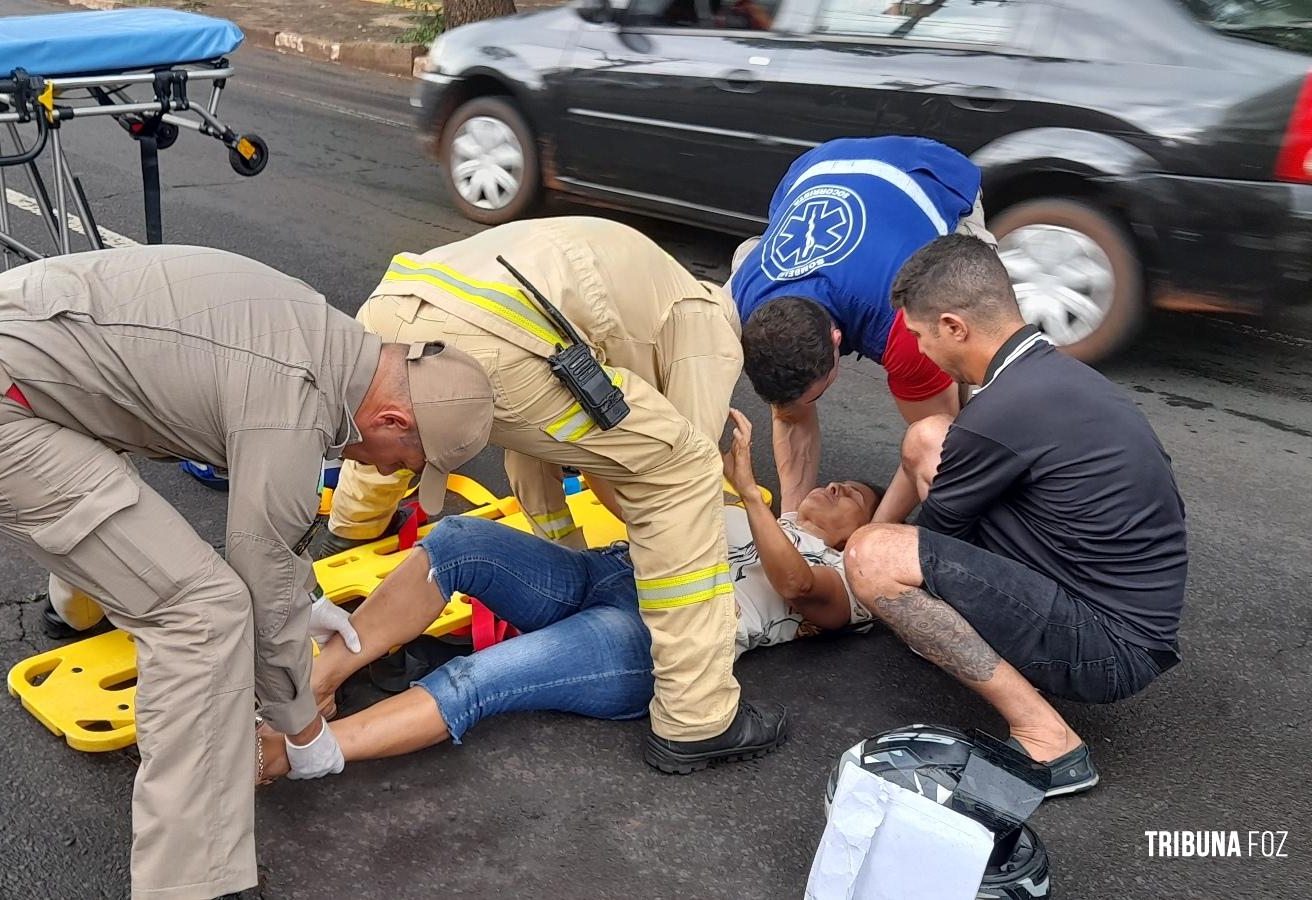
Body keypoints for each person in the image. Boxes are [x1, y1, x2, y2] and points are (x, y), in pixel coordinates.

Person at [0, 245, 495, 900]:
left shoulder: (319, 331)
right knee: (202, 616)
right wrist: (304, 730)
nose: (389, 473)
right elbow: (261, 573)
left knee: (137, 528)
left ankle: (73, 609)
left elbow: (272, 537)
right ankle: (191, 883)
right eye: (403, 459)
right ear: (391, 419)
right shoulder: (296, 400)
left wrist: (308, 597)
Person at [310, 216, 782, 773]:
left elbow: (537, 435)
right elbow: (675, 480)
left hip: (403, 305)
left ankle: (308, 689)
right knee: (683, 474)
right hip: (506, 336)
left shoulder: (647, 279)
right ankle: (698, 719)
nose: (840, 495)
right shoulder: (708, 329)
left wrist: (564, 548)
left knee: (394, 444)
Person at [254, 409, 878, 778]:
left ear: (860, 536)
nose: (837, 487)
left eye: (854, 496)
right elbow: (634, 511)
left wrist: (746, 488)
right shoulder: (746, 512)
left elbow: (795, 585)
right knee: (459, 540)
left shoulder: (844, 581)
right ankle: (316, 692)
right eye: (836, 481)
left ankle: (304, 754)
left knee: (477, 679)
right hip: (603, 572)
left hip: (650, 637)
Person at [841, 235, 1188, 797]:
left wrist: (859, 572)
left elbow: (927, 544)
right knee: (928, 436)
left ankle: (1049, 740)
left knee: (872, 557)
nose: (920, 351)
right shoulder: (1050, 376)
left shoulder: (999, 412)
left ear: (955, 327)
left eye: (921, 335)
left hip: (1108, 647)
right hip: (1118, 603)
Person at [729, 135, 995, 524]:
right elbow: (790, 415)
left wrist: (873, 533)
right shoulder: (742, 298)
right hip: (822, 163)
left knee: (958, 425)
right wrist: (793, 526)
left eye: (812, 395)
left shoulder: (909, 321)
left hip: (929, 174)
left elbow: (934, 437)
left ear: (836, 340)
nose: (799, 407)